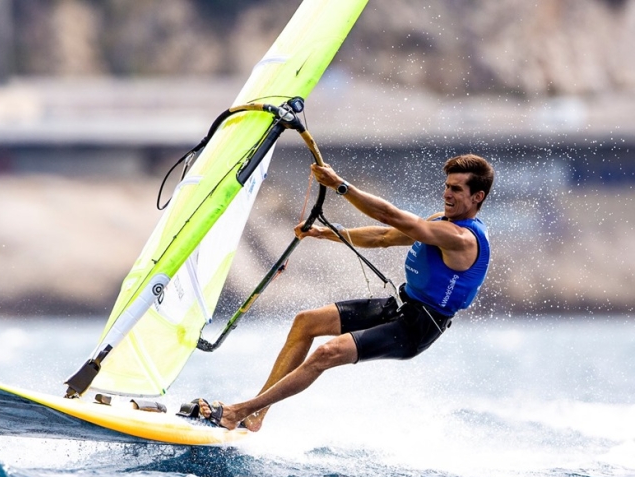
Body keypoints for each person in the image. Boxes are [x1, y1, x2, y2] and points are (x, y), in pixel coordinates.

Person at [196, 154, 494, 432]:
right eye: (446, 186)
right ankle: (256, 415)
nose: (447, 194)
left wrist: (339, 185)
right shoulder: (440, 221)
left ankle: (238, 412)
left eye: (456, 189)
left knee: (327, 353)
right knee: (306, 322)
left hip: (417, 328)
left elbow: (388, 216)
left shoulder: (461, 239)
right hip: (400, 306)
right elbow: (384, 236)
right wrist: (330, 233)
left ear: (477, 197)